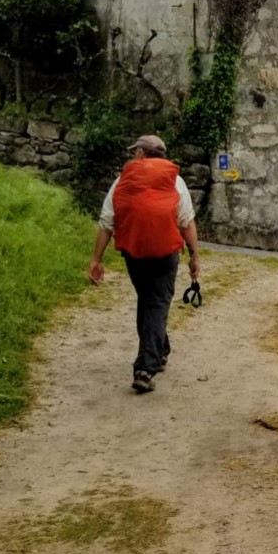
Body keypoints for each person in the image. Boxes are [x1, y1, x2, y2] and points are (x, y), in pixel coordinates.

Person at [88, 135, 201, 393]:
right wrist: (194, 255)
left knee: (149, 301)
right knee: (157, 303)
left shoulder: (123, 180)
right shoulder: (176, 181)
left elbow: (107, 221)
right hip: (166, 252)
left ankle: (160, 350)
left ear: (140, 153)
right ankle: (145, 368)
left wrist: (96, 259)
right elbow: (186, 221)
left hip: (134, 252)